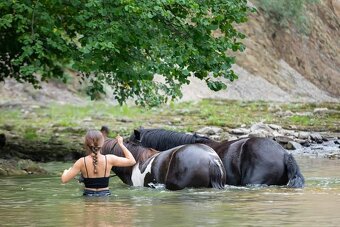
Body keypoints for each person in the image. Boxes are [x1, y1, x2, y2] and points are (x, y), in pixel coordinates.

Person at [61, 130, 136, 196]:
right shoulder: (109, 159)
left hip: (88, 197)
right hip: (105, 196)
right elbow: (132, 161)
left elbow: (64, 180)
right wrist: (121, 144)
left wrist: (66, 172)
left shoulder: (81, 162)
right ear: (102, 143)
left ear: (86, 144)